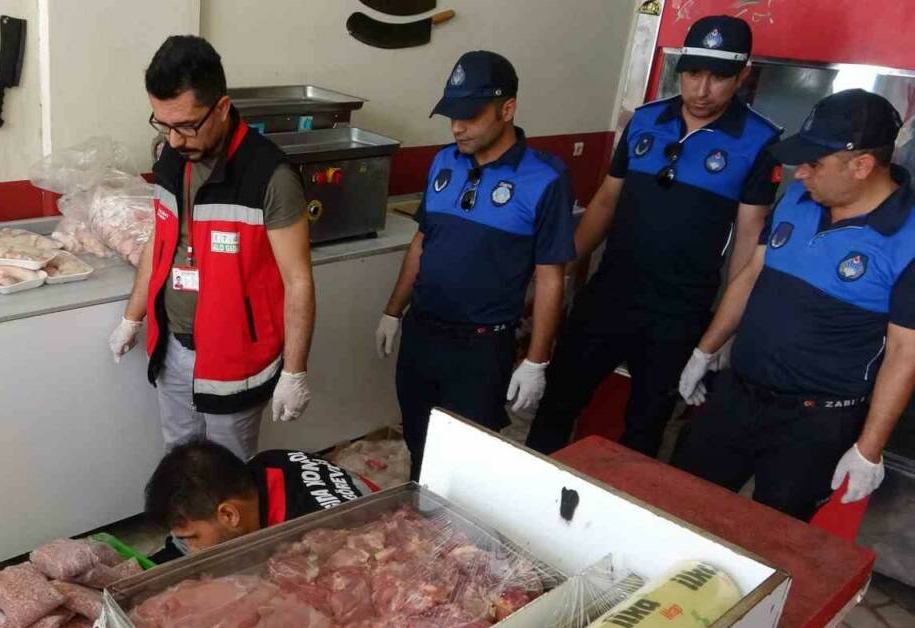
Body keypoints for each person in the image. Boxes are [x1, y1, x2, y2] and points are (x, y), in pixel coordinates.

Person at [526, 15, 782, 458]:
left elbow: (748, 237)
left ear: (743, 76)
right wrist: (560, 275)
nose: (702, 90)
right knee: (558, 400)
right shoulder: (645, 121)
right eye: (693, 73)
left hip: (680, 311)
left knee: (646, 426)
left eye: (719, 77)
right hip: (610, 293)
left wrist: (725, 329)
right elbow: (605, 203)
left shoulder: (760, 141)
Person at [673, 89, 915, 521]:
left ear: (862, 166)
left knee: (776, 533)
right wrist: (704, 350)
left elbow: (904, 351)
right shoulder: (799, 199)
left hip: (815, 423)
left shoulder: (908, 239)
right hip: (737, 395)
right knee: (683, 504)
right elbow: (751, 275)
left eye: (814, 163)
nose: (800, 173)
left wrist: (869, 448)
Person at [109, 36, 315, 460]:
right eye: (163, 124)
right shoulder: (172, 157)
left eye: (186, 126)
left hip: (235, 359)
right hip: (172, 346)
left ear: (221, 108)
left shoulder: (268, 176)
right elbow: (159, 241)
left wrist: (294, 371)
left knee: (229, 475)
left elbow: (298, 281)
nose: (174, 139)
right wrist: (133, 317)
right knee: (180, 462)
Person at [375, 50, 575, 476]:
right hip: (422, 335)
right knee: (418, 442)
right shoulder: (444, 162)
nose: (457, 127)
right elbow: (422, 242)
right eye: (452, 115)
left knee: (464, 463)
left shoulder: (544, 178)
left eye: (470, 115)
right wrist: (392, 311)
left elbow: (551, 278)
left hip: (481, 349)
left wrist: (537, 360)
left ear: (507, 109)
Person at [143, 438, 376, 560]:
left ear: (229, 514)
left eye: (193, 538)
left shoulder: (320, 534)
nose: (191, 549)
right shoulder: (259, 466)